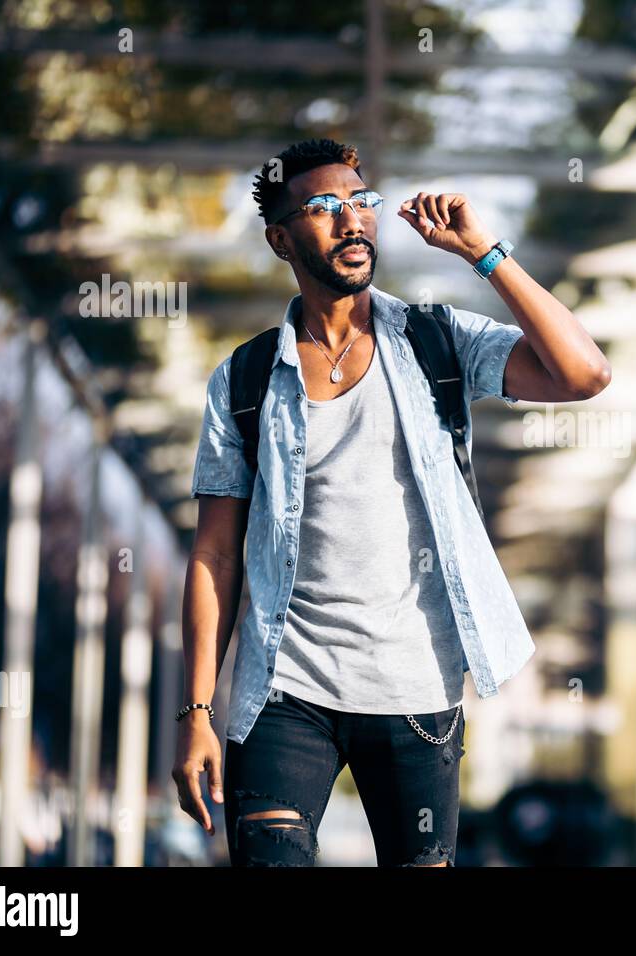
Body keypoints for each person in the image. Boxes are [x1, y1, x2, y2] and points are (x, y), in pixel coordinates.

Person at [172, 138, 610, 866]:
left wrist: (483, 252)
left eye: (360, 202)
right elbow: (214, 554)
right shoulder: (245, 379)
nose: (352, 221)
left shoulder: (436, 341)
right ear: (281, 238)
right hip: (285, 690)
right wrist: (194, 713)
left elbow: (584, 374)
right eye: (323, 208)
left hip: (416, 690)